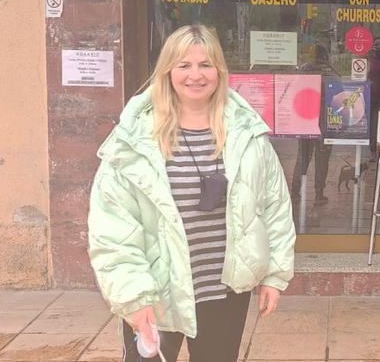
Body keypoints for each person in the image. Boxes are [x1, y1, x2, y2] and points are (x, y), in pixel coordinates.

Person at [88, 24, 295, 362]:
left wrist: (275, 274)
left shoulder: (247, 135)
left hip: (224, 290)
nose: (195, 75)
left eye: (205, 65)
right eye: (184, 65)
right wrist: (132, 296)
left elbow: (274, 208)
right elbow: (112, 227)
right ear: (168, 70)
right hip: (156, 288)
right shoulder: (135, 139)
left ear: (220, 71)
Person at [291, 45, 335, 205]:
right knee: (322, 158)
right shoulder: (329, 71)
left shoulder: (303, 70)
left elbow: (294, 89)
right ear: (326, 55)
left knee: (302, 157)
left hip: (305, 119)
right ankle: (319, 193)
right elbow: (339, 91)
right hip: (323, 120)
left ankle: (295, 192)